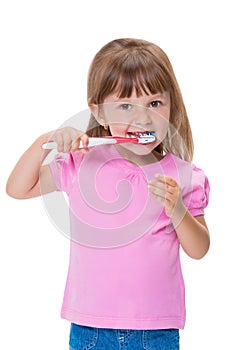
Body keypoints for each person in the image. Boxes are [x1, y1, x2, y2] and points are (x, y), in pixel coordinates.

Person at [6, 38, 210, 350]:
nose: (143, 118)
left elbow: (199, 249)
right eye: (126, 105)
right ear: (100, 114)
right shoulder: (82, 162)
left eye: (155, 104)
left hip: (156, 331)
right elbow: (17, 189)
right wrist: (46, 141)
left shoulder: (185, 176)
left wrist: (178, 211)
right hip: (90, 328)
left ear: (171, 106)